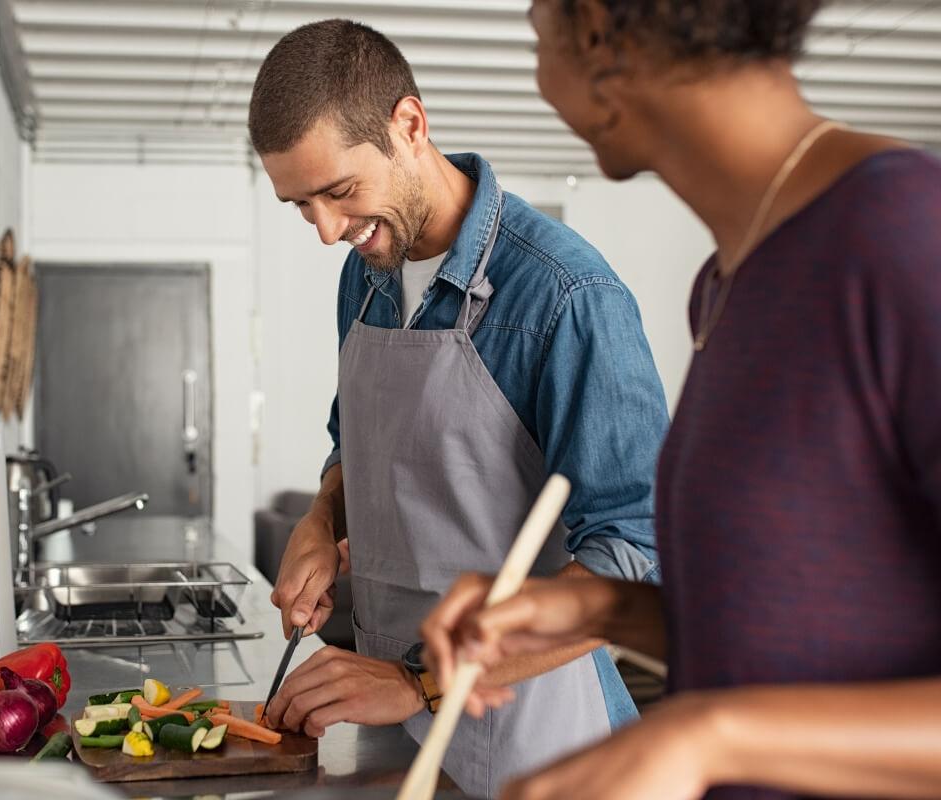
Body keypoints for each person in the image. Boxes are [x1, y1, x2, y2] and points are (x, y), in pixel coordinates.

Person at [422, 2, 941, 798]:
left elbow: (734, 717)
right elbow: (791, 639)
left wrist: (704, 736)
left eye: (536, 33)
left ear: (595, 32)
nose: (538, 79)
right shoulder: (727, 284)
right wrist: (591, 607)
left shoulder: (905, 236)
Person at [247, 19, 671, 798]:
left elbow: (635, 552)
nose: (328, 232)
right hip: (391, 726)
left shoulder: (566, 295)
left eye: (339, 192)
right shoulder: (365, 272)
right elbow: (357, 441)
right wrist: (320, 519)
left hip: (542, 740)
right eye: (301, 205)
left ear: (409, 126)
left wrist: (423, 685)